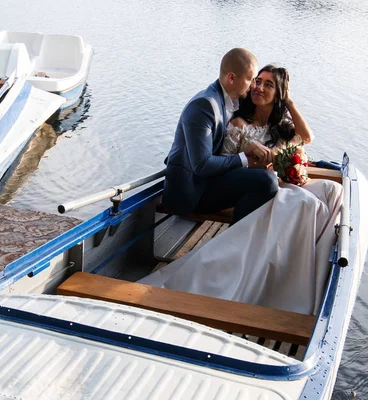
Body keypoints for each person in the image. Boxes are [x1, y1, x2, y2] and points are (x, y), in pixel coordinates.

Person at [142, 65, 343, 315]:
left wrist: (289, 101)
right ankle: (277, 274)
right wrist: (254, 164)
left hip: (274, 185)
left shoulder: (280, 124)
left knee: (333, 191)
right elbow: (222, 165)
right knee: (306, 203)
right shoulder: (238, 123)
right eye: (257, 81)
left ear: (279, 94)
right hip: (253, 186)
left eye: (268, 84)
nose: (258, 87)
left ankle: (310, 266)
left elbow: (305, 137)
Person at [163, 48, 278, 225]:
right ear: (231, 78)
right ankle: (235, 240)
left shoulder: (234, 98)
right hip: (191, 191)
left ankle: (246, 238)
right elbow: (201, 165)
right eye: (250, 80)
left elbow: (271, 104)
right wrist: (245, 157)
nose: (254, 86)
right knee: (267, 181)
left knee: (265, 177)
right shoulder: (204, 105)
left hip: (210, 180)